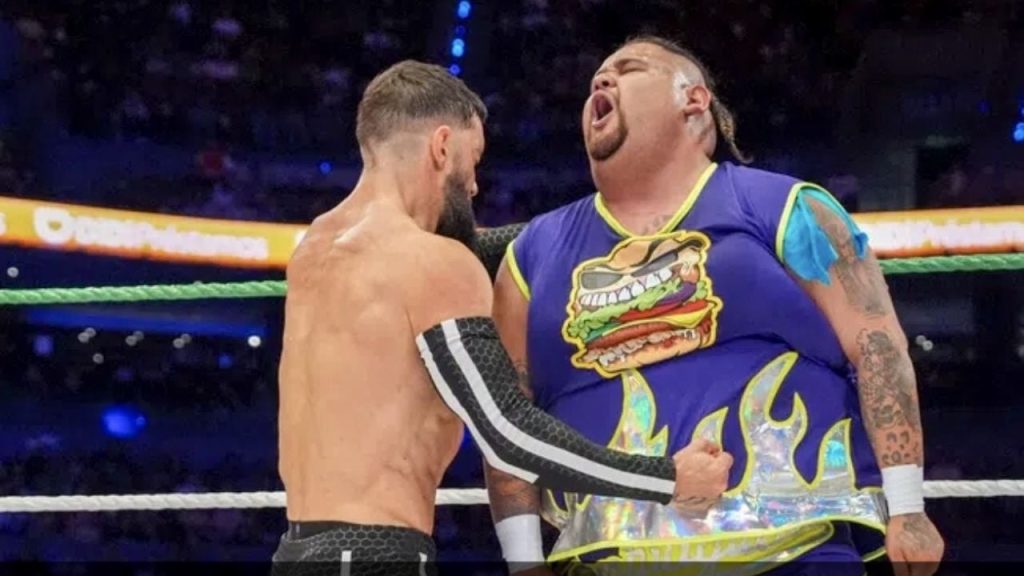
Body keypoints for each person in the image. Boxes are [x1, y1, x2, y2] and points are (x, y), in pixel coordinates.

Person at [485, 36, 945, 576]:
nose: (601, 81)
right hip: (605, 555)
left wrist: (908, 505)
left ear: (694, 99)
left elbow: (877, 345)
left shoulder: (786, 207)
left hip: (792, 543)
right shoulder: (531, 256)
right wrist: (523, 562)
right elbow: (508, 420)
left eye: (629, 69)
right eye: (596, 78)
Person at [271, 60, 733, 576]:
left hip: (295, 552)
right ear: (441, 147)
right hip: (375, 556)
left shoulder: (315, 247)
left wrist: (604, 227)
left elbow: (477, 247)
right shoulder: (434, 264)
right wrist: (668, 479)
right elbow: (508, 431)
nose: (473, 187)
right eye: (473, 161)